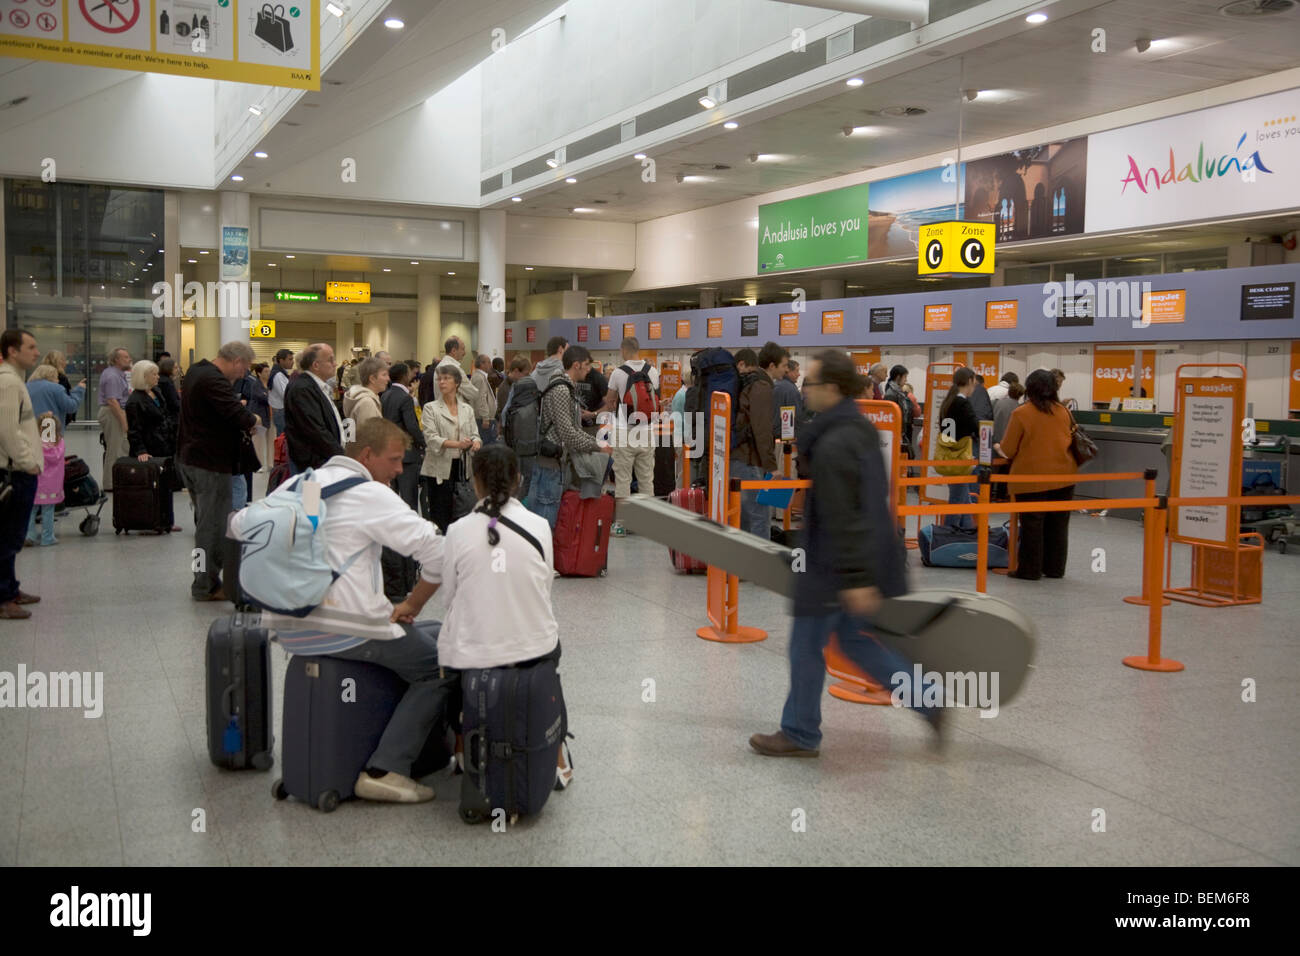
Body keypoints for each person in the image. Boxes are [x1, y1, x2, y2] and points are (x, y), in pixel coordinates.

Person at [232, 418, 453, 803]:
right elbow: (437, 552)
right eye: (395, 460)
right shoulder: (370, 493)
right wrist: (413, 602)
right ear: (367, 455)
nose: (400, 470)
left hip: (290, 627)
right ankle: (387, 768)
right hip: (347, 627)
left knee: (429, 631)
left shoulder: (302, 484)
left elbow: (238, 525)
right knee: (439, 667)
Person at [749, 349, 940, 757]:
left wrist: (856, 580)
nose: (804, 390)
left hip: (835, 566)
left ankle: (800, 733)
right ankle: (928, 700)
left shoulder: (835, 443)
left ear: (831, 389)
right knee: (856, 643)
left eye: (811, 384)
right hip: (856, 560)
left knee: (805, 646)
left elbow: (847, 516)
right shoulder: (858, 428)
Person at [436, 443, 572, 787]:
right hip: (534, 647)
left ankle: (463, 749)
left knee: (450, 663)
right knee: (547, 671)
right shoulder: (540, 525)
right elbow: (545, 584)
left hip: (474, 653)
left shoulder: (457, 531)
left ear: (475, 482)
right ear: (518, 481)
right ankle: (557, 759)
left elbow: (449, 598)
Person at [176, 341, 259, 602]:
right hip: (209, 463)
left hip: (190, 457)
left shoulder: (196, 371)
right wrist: (253, 420)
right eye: (244, 368)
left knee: (205, 524)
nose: (243, 374)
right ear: (236, 362)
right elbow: (239, 415)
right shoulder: (214, 380)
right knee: (211, 528)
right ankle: (204, 585)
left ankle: (207, 579)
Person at [995, 369, 1079, 580]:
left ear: (1030, 388)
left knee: (1033, 524)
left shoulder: (1022, 413)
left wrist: (998, 447)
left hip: (1031, 478)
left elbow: (1009, 449)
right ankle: (1055, 568)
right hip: (1064, 477)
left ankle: (1030, 570)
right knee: (1058, 525)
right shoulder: (1063, 411)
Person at [529, 345, 611, 530]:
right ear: (576, 365)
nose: (590, 369)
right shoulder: (561, 390)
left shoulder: (567, 388)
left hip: (557, 464)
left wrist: (597, 443)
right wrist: (597, 446)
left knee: (550, 520)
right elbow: (567, 434)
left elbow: (574, 428)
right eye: (587, 365)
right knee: (544, 523)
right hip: (549, 466)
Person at [0, 330, 44, 619]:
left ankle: (11, 589)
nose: (36, 352)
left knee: (13, 536)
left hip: (20, 471)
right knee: (7, 536)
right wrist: (27, 461)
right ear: (12, 351)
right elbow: (7, 430)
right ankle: (4, 598)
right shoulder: (8, 383)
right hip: (16, 473)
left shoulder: (15, 381)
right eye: (30, 347)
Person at [601, 337, 660, 535]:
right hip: (647, 431)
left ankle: (622, 524)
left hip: (624, 432)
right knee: (646, 478)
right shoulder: (653, 371)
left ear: (623, 350)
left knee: (623, 479)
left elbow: (610, 402)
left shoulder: (618, 372)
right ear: (638, 349)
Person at [420, 365, 482, 533]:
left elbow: (475, 434)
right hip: (439, 468)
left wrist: (475, 442)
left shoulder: (467, 409)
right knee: (441, 513)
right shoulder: (430, 408)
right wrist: (458, 444)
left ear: (457, 383)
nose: (442, 382)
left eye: (446, 378)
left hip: (462, 467)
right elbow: (431, 438)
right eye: (439, 379)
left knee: (462, 512)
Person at [125, 360, 180, 532]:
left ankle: (167, 520)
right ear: (143, 377)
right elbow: (134, 429)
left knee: (166, 484)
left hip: (164, 443)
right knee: (153, 485)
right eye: (153, 374)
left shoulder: (156, 392)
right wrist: (141, 450)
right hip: (150, 446)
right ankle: (151, 519)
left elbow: (165, 413)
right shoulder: (135, 401)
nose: (157, 377)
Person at [731, 346, 778, 540]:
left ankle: (739, 567)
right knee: (760, 516)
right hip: (749, 460)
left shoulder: (738, 385)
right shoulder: (759, 386)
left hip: (734, 457)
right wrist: (771, 466)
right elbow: (761, 429)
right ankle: (760, 567)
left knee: (742, 517)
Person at [284, 344, 345, 473]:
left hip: (322, 460)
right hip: (313, 464)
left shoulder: (316, 386)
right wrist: (341, 457)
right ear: (316, 365)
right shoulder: (303, 389)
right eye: (331, 360)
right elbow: (315, 430)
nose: (335, 364)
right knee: (313, 494)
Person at [938, 366, 979, 530]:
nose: (974, 388)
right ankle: (949, 535)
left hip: (949, 456)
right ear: (969, 381)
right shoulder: (962, 404)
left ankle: (968, 533)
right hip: (961, 458)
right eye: (974, 384)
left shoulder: (948, 403)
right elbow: (976, 426)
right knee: (957, 500)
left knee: (963, 499)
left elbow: (947, 432)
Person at [381, 363, 424, 511]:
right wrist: (424, 443)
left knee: (391, 498)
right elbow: (411, 426)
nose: (412, 376)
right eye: (410, 373)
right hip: (407, 455)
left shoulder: (384, 395)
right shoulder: (405, 398)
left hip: (388, 453)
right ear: (404, 376)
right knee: (409, 500)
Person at [26, 412, 65, 548]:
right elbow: (58, 458)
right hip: (52, 485)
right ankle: (47, 537)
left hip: (36, 483)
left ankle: (29, 535)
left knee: (31, 510)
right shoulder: (59, 443)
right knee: (48, 511)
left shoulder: (33, 443)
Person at [97, 347, 132, 492]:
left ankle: (116, 480)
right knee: (116, 449)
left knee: (119, 448)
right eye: (125, 357)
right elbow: (112, 401)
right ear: (116, 360)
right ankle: (111, 483)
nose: (129, 359)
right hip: (113, 413)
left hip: (115, 412)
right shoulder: (113, 376)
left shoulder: (118, 374)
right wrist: (124, 422)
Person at [27, 364, 84, 431]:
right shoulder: (56, 388)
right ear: (51, 376)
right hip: (51, 431)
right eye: (56, 377)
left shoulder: (25, 387)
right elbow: (71, 407)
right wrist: (79, 390)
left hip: (29, 430)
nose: (58, 381)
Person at [343, 356, 388, 429]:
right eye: (384, 375)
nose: (388, 379)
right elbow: (369, 437)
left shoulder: (364, 398)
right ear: (372, 379)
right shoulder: (367, 403)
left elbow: (349, 435)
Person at [769, 345, 802, 440]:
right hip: (786, 436)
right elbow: (796, 417)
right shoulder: (791, 390)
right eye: (797, 371)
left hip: (773, 433)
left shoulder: (775, 385)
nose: (799, 374)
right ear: (788, 371)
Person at [882, 364, 915, 459]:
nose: (906, 380)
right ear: (898, 377)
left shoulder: (897, 392)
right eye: (905, 377)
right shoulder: (891, 394)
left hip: (900, 432)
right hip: (895, 433)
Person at [247, 363, 273, 474]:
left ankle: (271, 463)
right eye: (266, 371)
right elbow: (262, 397)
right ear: (259, 373)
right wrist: (270, 396)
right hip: (259, 415)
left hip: (271, 415)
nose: (268, 373)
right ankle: (259, 464)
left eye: (269, 371)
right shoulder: (255, 384)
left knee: (271, 440)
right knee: (259, 441)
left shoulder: (271, 384)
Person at [40, 350, 78, 423]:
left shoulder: (39, 377)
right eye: (63, 360)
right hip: (57, 417)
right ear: (58, 362)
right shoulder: (60, 378)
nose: (65, 363)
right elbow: (65, 401)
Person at [470, 354, 498, 442]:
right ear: (482, 364)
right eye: (489, 362)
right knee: (486, 443)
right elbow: (481, 398)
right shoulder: (479, 378)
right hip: (483, 419)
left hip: (484, 417)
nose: (491, 365)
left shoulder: (481, 377)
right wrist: (485, 417)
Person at [267, 347, 294, 435]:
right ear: (281, 360)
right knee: (283, 439)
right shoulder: (278, 375)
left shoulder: (281, 373)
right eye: (290, 359)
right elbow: (285, 394)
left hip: (281, 410)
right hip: (280, 411)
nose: (292, 361)